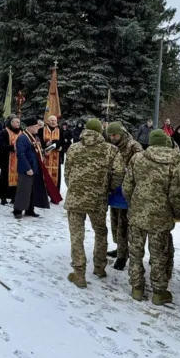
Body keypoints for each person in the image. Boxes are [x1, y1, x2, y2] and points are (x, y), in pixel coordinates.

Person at [125, 130, 180, 304]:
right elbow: (176, 194)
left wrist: (134, 203)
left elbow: (127, 186)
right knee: (159, 255)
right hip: (161, 217)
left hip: (137, 214)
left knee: (135, 253)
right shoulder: (175, 162)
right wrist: (178, 213)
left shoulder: (137, 159)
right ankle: (159, 292)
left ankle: (137, 288)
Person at [64, 119, 123, 288]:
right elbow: (119, 172)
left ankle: (79, 273)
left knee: (77, 236)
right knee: (100, 232)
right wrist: (108, 188)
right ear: (100, 132)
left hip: (75, 198)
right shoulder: (111, 150)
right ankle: (99, 267)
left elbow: (67, 173)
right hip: (98, 199)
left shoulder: (74, 148)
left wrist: (74, 188)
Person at [106, 122, 143, 270]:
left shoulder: (133, 146)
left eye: (114, 135)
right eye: (110, 135)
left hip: (128, 191)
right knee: (115, 221)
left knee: (124, 223)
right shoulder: (110, 145)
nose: (112, 137)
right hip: (115, 189)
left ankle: (123, 255)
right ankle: (119, 247)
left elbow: (140, 166)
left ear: (121, 134)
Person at [13, 116, 61, 218]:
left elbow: (37, 150)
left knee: (33, 190)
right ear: (30, 127)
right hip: (27, 169)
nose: (38, 128)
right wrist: (27, 168)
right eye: (36, 126)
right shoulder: (22, 138)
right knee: (24, 190)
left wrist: (45, 151)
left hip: (36, 167)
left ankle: (30, 209)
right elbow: (21, 155)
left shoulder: (36, 137)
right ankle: (17, 210)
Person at [0, 116, 22, 205]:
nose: (18, 123)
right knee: (4, 178)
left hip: (18, 159)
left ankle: (13, 197)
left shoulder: (21, 132)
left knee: (17, 179)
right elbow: (0, 145)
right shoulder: (4, 132)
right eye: (16, 122)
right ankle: (3, 197)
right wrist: (11, 147)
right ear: (11, 123)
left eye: (19, 122)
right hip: (6, 159)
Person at [39, 114, 64, 189]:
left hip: (55, 158)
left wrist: (60, 147)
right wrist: (45, 144)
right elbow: (38, 142)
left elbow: (63, 142)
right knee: (43, 177)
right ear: (47, 121)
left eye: (55, 120)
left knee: (56, 178)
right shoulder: (42, 130)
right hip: (44, 157)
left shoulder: (60, 130)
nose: (53, 122)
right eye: (51, 120)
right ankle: (44, 197)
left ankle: (54, 197)